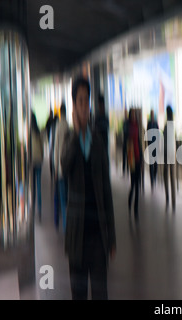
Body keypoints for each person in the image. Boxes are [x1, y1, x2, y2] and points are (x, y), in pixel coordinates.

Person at [61, 77, 116, 300]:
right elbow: (64, 169)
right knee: (79, 295)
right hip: (77, 238)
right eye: (80, 101)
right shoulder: (68, 138)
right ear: (74, 105)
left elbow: (107, 191)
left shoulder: (98, 142)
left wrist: (111, 238)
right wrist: (76, 134)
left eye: (86, 101)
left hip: (98, 236)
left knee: (101, 294)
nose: (84, 107)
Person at [54, 102, 69, 233]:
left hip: (60, 168)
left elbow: (56, 149)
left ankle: (65, 227)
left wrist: (55, 167)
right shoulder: (68, 126)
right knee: (68, 200)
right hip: (68, 168)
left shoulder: (58, 126)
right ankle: (67, 226)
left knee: (62, 199)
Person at [127, 108, 143, 219]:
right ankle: (129, 200)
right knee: (133, 184)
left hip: (138, 157)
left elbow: (139, 141)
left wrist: (141, 157)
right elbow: (128, 144)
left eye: (134, 114)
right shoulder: (128, 127)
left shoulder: (137, 126)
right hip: (132, 158)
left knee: (137, 184)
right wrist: (129, 160)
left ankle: (136, 209)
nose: (133, 116)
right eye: (132, 114)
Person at [30, 112, 44, 221]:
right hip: (39, 159)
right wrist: (42, 156)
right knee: (38, 184)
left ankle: (32, 207)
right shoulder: (38, 131)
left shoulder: (28, 132)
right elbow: (42, 146)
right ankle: (39, 209)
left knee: (32, 185)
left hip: (31, 161)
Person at [163, 106, 176, 212]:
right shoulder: (173, 125)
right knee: (172, 175)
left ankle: (167, 196)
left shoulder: (167, 125)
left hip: (167, 153)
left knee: (165, 174)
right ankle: (173, 198)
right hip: (173, 152)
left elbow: (164, 140)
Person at [147, 109, 159, 190]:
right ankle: (152, 179)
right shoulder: (149, 123)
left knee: (156, 163)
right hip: (151, 145)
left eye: (152, 114)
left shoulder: (155, 123)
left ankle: (154, 176)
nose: (151, 115)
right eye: (151, 114)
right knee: (151, 163)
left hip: (155, 145)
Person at [122, 109, 129, 177]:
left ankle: (127, 169)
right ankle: (124, 170)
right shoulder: (125, 122)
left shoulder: (127, 122)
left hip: (127, 141)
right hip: (125, 141)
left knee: (127, 156)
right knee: (124, 156)